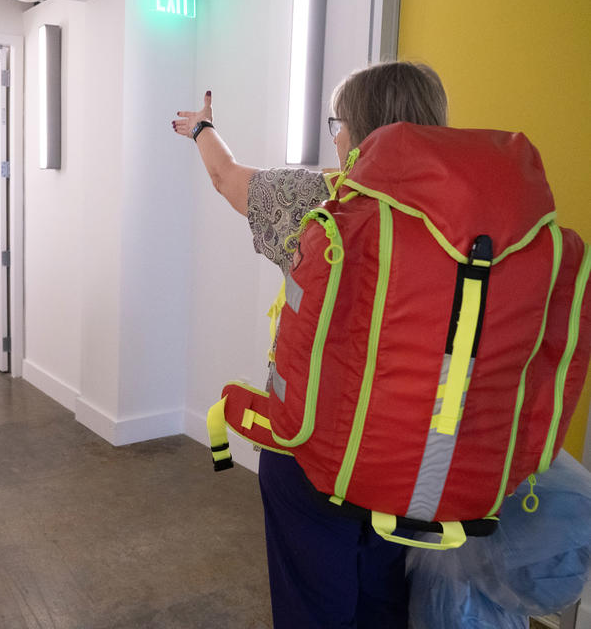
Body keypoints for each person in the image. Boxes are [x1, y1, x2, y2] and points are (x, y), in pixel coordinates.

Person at [172, 61, 448, 629]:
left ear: (358, 129)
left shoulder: (322, 197)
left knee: (314, 604)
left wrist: (203, 129)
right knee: (382, 597)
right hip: (421, 457)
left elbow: (227, 178)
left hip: (318, 453)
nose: (336, 136)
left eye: (338, 124)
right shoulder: (474, 226)